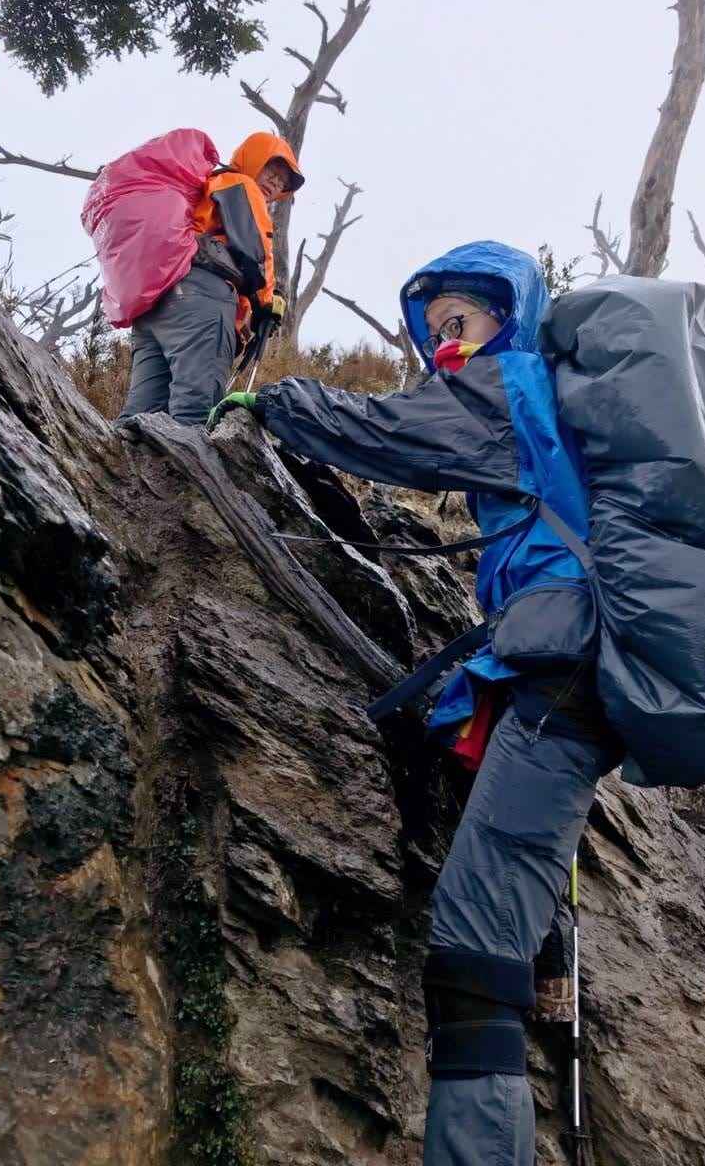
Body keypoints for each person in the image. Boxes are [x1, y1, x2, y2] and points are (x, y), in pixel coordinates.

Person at [208, 240, 621, 1165]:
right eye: (434, 333)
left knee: (472, 960)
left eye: (457, 324)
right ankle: (548, 947)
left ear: (504, 317)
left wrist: (279, 402)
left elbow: (391, 435)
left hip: (561, 670)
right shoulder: (544, 398)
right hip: (556, 663)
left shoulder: (509, 383)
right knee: (498, 825)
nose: (444, 346)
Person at [118, 131, 303, 426]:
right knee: (196, 411)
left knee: (139, 418)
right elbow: (254, 251)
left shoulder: (206, 189)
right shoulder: (241, 184)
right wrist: (267, 302)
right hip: (201, 301)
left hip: (157, 305)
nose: (275, 182)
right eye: (271, 169)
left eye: (282, 182)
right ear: (253, 159)